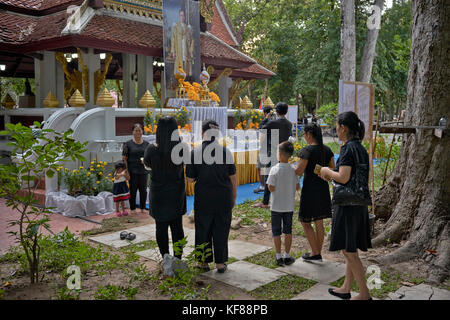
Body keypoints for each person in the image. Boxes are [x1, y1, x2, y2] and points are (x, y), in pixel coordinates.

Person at [320, 111, 372, 300]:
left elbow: (343, 177)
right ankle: (346, 287)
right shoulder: (360, 148)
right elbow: (348, 175)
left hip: (347, 205)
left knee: (349, 251)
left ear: (343, 127)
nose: (336, 129)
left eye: (337, 126)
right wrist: (332, 173)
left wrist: (326, 171)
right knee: (351, 248)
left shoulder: (347, 149)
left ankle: (365, 294)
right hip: (358, 203)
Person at [186, 120, 237, 273]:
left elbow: (190, 179)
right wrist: (233, 196)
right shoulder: (225, 152)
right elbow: (232, 177)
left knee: (203, 228)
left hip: (204, 197)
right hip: (223, 196)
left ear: (202, 133)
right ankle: (220, 263)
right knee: (221, 228)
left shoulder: (194, 152)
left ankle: (203, 262)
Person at [144, 116, 186, 260]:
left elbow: (148, 164)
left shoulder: (151, 149)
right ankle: (178, 258)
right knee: (177, 227)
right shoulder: (181, 148)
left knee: (160, 227)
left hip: (159, 193)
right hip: (176, 192)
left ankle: (165, 257)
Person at [295, 123, 335, 262]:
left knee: (305, 222)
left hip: (310, 189)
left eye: (304, 134)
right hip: (323, 189)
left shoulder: (307, 151)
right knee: (319, 222)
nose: (304, 137)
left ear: (309, 134)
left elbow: (299, 171)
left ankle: (315, 252)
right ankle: (317, 253)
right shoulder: (327, 150)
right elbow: (332, 171)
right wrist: (319, 171)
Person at [252, 102, 292, 208]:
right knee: (280, 176)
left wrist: (266, 118)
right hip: (283, 152)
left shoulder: (272, 123)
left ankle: (265, 202)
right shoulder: (289, 124)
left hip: (272, 151)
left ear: (277, 111)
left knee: (268, 177)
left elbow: (261, 129)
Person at [267, 141, 299, 266]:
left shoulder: (274, 169)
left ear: (279, 154)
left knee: (276, 232)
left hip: (276, 206)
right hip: (289, 206)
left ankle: (278, 256)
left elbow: (270, 187)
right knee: (288, 231)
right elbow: (297, 187)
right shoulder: (293, 170)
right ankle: (287, 255)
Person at [122, 123, 149, 214]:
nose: (138, 132)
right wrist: (126, 171)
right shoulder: (128, 144)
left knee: (143, 190)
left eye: (139, 130)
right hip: (132, 171)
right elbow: (124, 159)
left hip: (143, 171)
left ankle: (142, 207)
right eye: (136, 130)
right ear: (132, 132)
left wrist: (146, 161)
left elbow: (149, 157)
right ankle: (132, 208)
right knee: (132, 190)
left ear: (142, 132)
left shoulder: (147, 144)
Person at [254, 106, 273, 194]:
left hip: (266, 146)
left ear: (265, 113)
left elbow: (261, 129)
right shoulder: (276, 121)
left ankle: (262, 186)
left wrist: (265, 119)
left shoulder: (266, 122)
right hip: (274, 146)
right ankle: (271, 185)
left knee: (260, 166)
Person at [170, 8, 194, 75]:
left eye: (183, 15)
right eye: (181, 15)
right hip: (178, 48)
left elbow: (191, 40)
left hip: (185, 49)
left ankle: (185, 78)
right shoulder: (176, 26)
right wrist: (173, 51)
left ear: (185, 17)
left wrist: (191, 51)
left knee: (186, 64)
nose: (182, 17)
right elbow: (173, 39)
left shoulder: (187, 27)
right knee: (179, 64)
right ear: (178, 16)